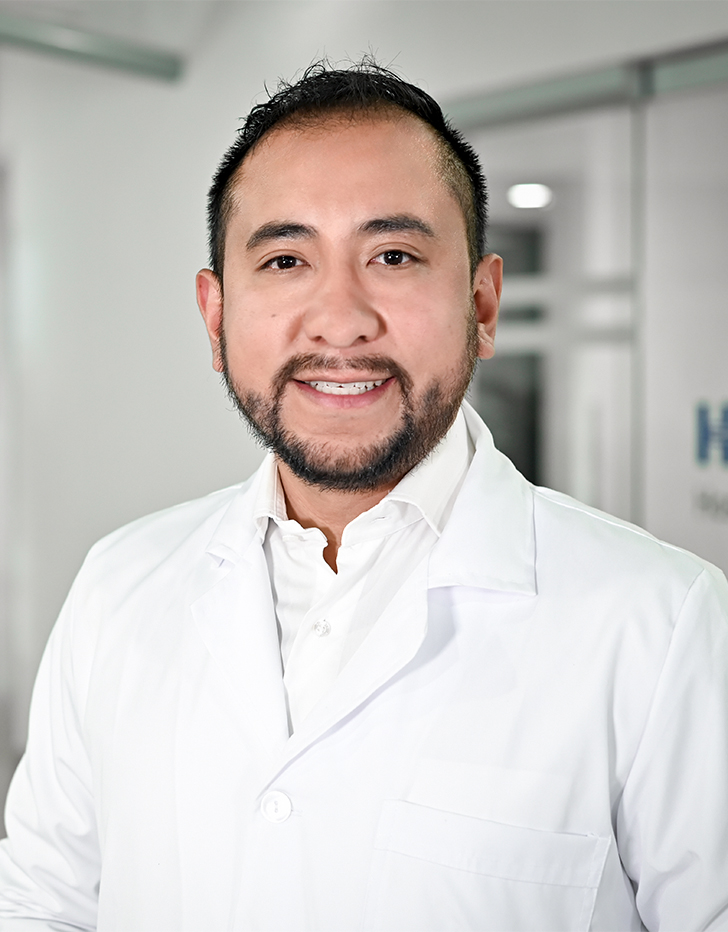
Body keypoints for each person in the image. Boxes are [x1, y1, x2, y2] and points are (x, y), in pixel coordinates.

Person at [1, 60, 727, 932]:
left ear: (484, 303)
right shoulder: (118, 587)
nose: (339, 318)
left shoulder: (661, 621)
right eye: (285, 258)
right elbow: (41, 902)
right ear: (216, 316)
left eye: (393, 255)